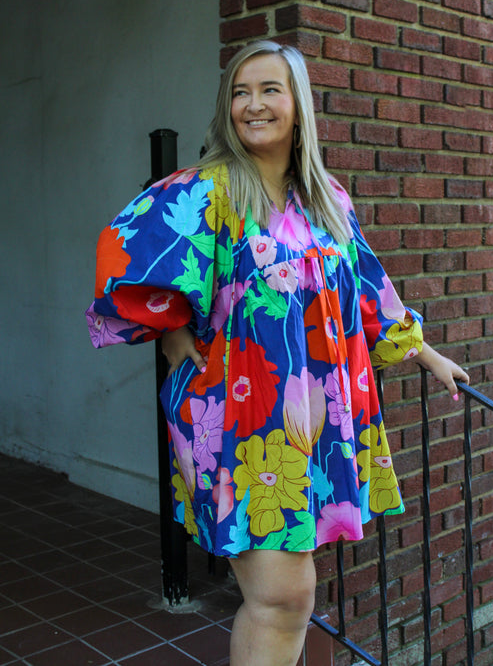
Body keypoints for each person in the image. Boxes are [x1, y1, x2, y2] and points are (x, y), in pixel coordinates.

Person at [86, 39, 469, 666]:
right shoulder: (205, 193)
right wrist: (173, 333)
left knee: (287, 597)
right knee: (284, 597)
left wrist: (424, 352)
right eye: (240, 92)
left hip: (314, 418)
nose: (253, 105)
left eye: (270, 90)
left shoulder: (328, 201)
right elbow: (125, 255)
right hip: (238, 417)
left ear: (298, 106)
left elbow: (370, 287)